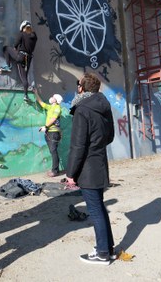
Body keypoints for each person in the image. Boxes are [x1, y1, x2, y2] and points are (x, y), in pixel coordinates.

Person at [66, 72, 116, 265]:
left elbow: (78, 145)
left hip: (88, 168)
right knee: (100, 208)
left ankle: (103, 253)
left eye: (78, 85)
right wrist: (97, 144)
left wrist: (71, 174)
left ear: (82, 88)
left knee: (95, 210)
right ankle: (108, 249)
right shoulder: (103, 106)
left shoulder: (82, 110)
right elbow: (110, 136)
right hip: (100, 163)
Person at [0, 20, 38, 101]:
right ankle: (25, 95)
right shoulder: (35, 37)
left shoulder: (22, 34)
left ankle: (9, 66)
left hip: (20, 56)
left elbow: (16, 44)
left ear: (23, 28)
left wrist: (16, 49)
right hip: (28, 59)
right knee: (24, 78)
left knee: (6, 48)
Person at [33, 88, 63, 177]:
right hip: (49, 132)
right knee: (52, 151)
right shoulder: (51, 107)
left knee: (53, 151)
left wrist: (45, 127)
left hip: (54, 132)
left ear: (56, 100)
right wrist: (36, 93)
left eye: (53, 97)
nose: (51, 97)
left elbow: (53, 119)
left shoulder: (57, 108)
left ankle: (55, 171)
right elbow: (42, 103)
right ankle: (55, 169)